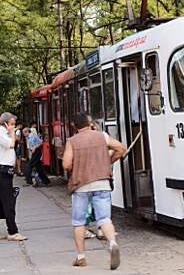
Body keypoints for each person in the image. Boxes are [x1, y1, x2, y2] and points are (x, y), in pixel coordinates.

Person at [63, 112, 127, 269]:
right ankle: (112, 243)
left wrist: (76, 166)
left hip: (81, 185)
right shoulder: (102, 136)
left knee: (79, 222)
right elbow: (121, 148)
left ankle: (81, 257)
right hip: (102, 183)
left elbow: (66, 164)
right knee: (104, 219)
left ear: (74, 126)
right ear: (89, 123)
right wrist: (108, 161)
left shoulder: (72, 141)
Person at [0, 112, 27, 241]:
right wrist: (12, 133)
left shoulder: (5, 133)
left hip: (6, 170)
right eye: (12, 124)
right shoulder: (0, 134)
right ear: (5, 123)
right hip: (1, 170)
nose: (14, 127)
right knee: (9, 201)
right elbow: (11, 144)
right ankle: (12, 231)